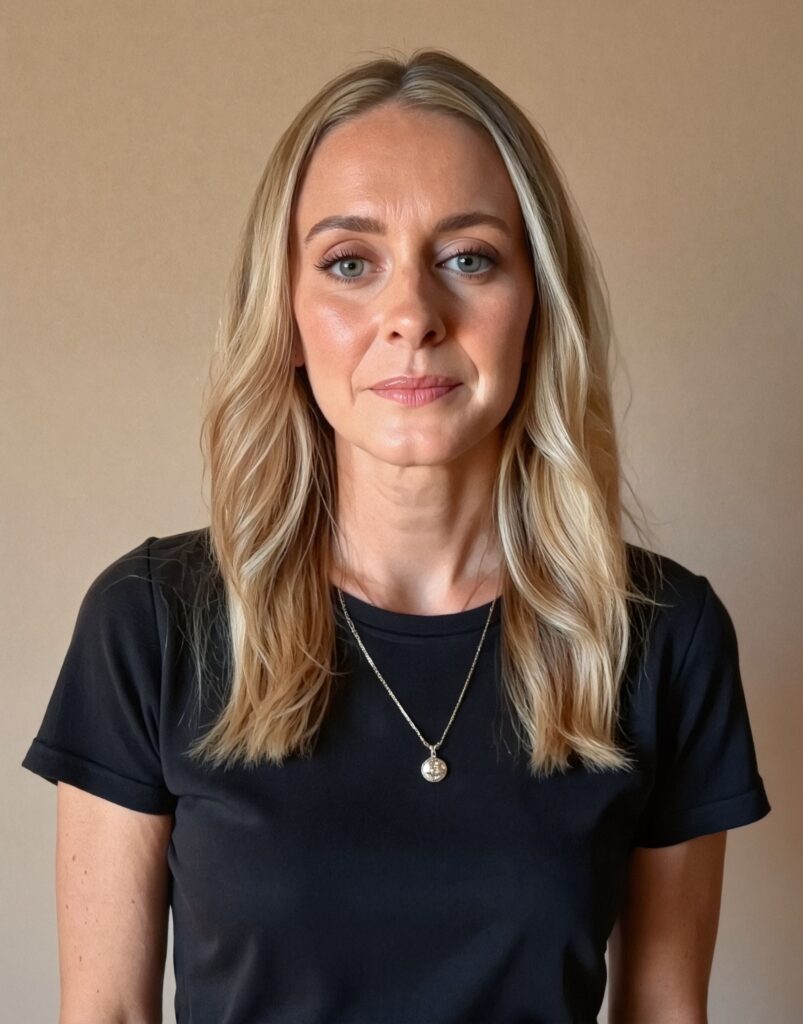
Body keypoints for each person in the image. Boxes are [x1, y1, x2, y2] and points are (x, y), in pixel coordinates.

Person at [21, 48, 771, 1024]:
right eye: (349, 263)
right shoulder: (151, 622)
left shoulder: (662, 635)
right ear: (286, 314)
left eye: (469, 258)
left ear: (535, 305)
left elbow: (663, 1010)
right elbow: (106, 1012)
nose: (411, 315)